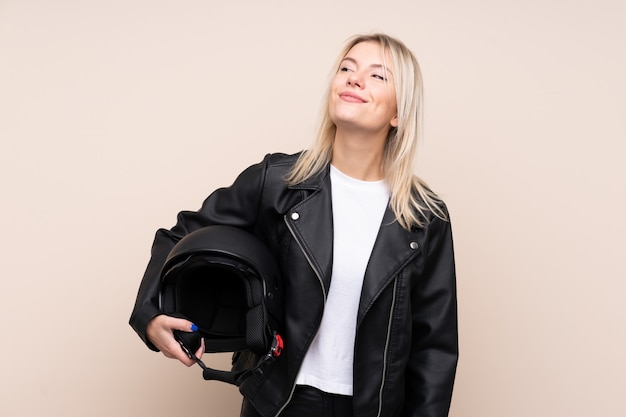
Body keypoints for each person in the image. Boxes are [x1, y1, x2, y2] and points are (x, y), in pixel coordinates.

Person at [130, 33, 458, 417]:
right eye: (347, 68)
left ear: (399, 113)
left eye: (378, 76)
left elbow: (434, 347)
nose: (354, 79)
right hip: (281, 403)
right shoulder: (278, 182)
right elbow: (180, 235)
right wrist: (150, 314)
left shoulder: (424, 216)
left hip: (373, 408)